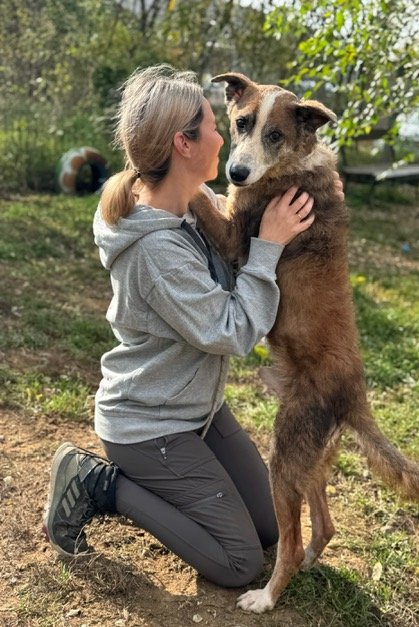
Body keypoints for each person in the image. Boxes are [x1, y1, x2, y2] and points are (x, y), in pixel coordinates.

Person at [43, 64, 343, 588]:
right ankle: (99, 483)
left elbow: (240, 230)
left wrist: (312, 187)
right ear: (183, 144)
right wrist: (269, 246)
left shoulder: (187, 207)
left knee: (270, 527)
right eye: (217, 126)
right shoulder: (156, 250)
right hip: (148, 425)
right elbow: (233, 332)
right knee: (239, 563)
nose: (227, 138)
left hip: (197, 411)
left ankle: (181, 476)